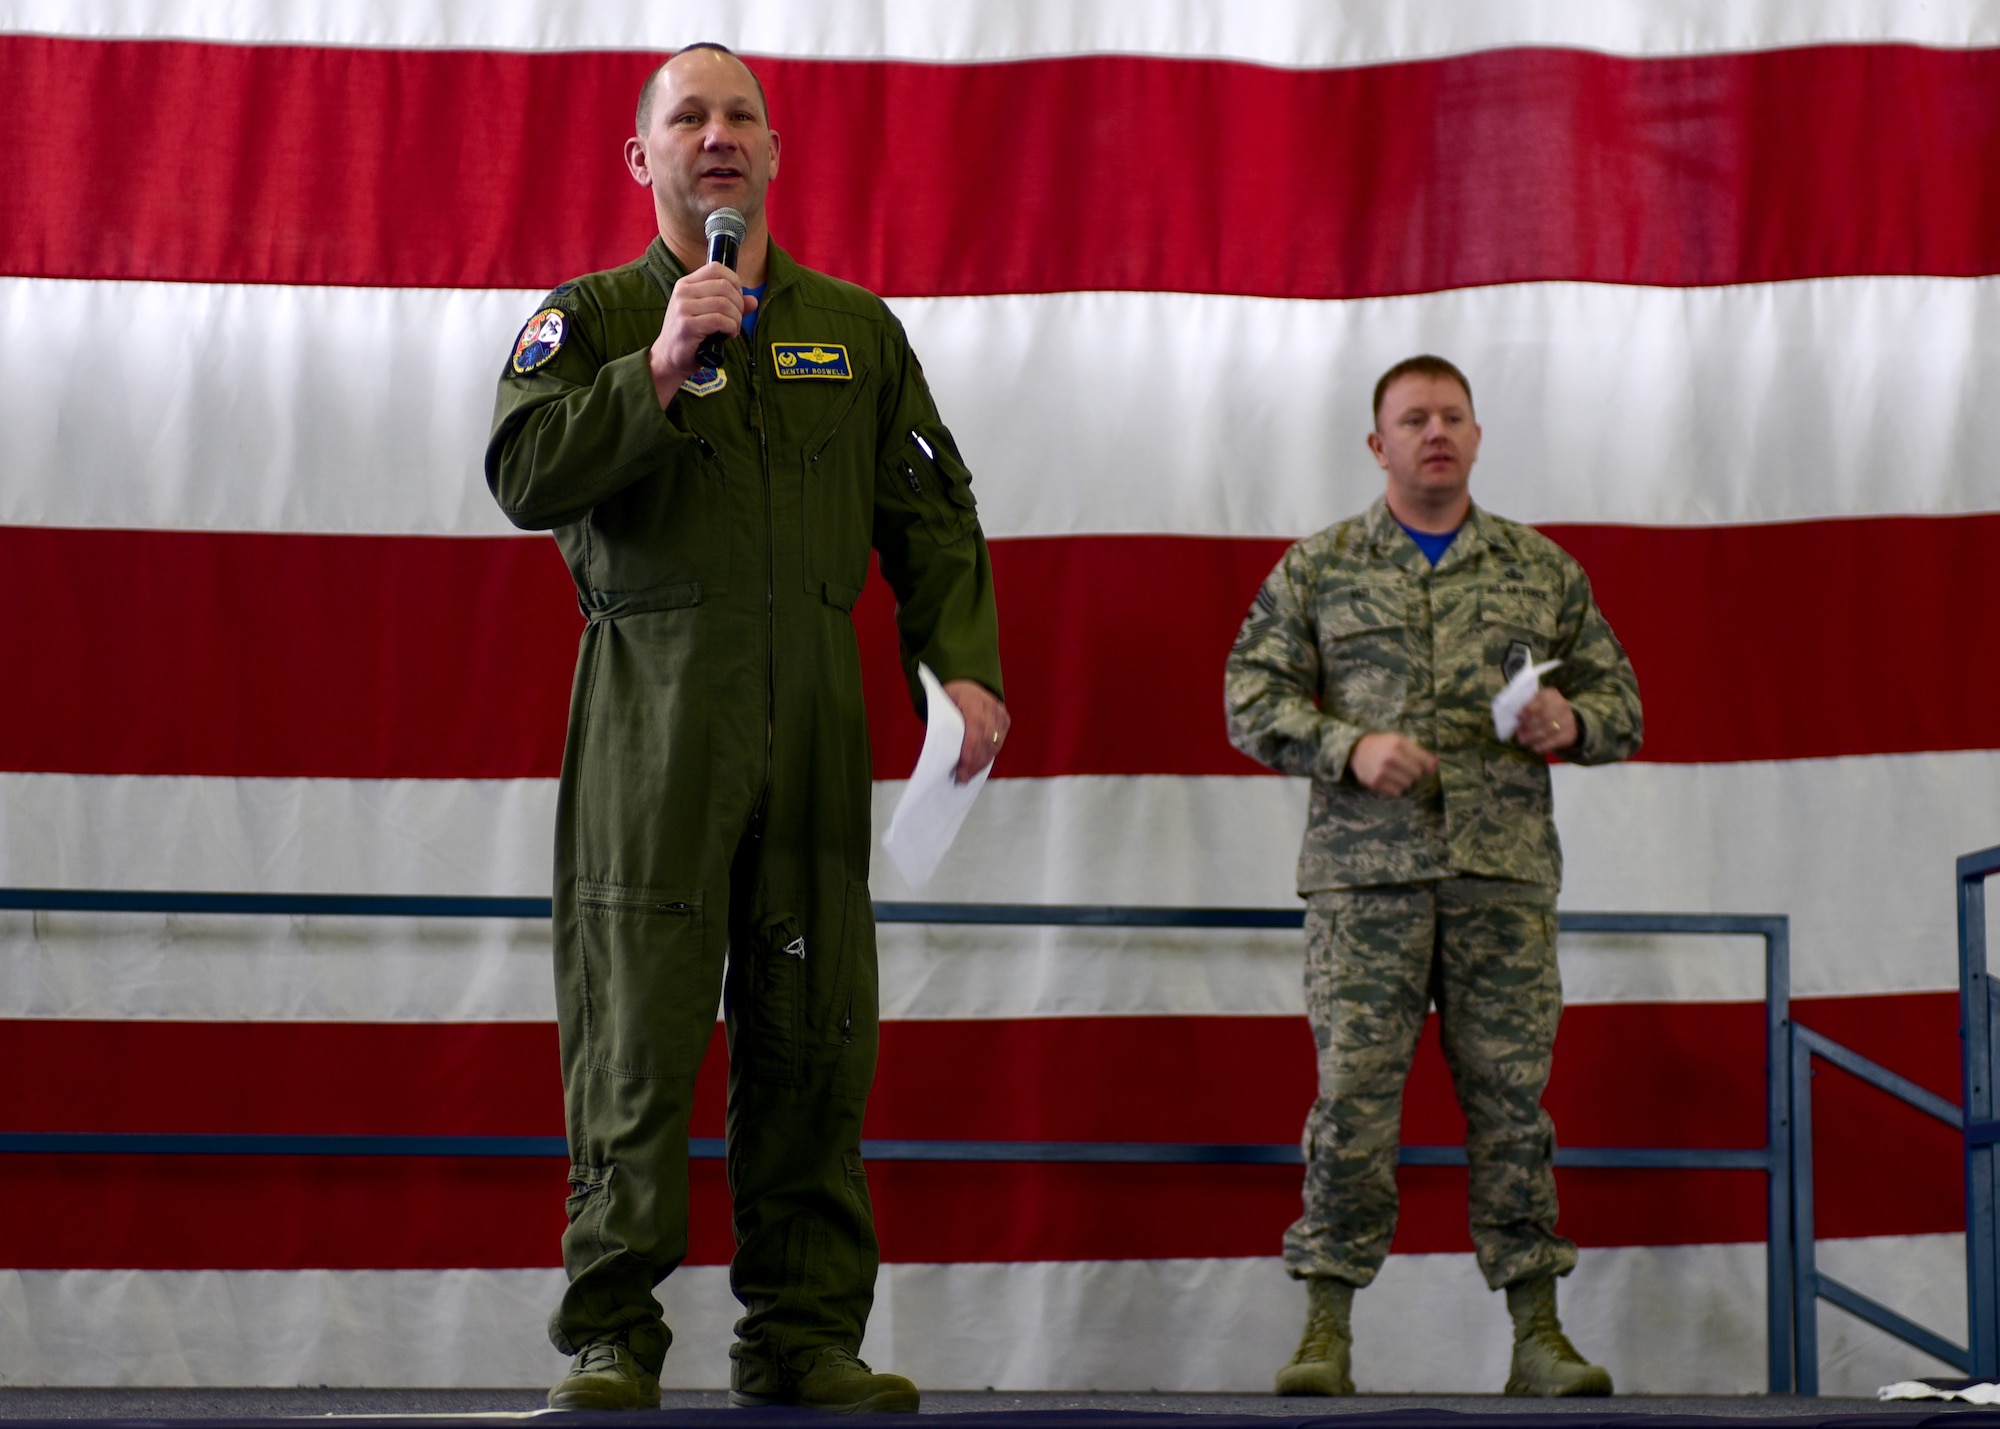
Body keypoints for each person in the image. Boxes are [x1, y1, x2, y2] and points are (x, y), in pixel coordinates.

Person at [485, 43, 1007, 1414]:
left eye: (741, 117)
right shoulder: (590, 318)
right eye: (687, 118)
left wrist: (957, 666)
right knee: (635, 1034)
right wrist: (658, 365)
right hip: (653, 715)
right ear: (641, 158)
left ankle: (800, 1335)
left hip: (816, 723)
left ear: (774, 153)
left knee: (814, 1031)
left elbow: (933, 516)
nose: (717, 136)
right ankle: (613, 1334)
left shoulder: (859, 330)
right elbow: (522, 471)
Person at [1224, 355, 1642, 1397]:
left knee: (1511, 1106)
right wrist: (1345, 747)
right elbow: (1248, 698)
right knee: (1352, 1103)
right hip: (1363, 885)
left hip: (1498, 880)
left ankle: (1536, 1334)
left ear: (1475, 434)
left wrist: (1573, 720)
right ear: (1378, 445)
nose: (1434, 432)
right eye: (1411, 419)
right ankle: (1324, 1329)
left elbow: (1621, 704)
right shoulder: (1317, 569)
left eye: (1451, 415)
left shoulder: (1539, 571)